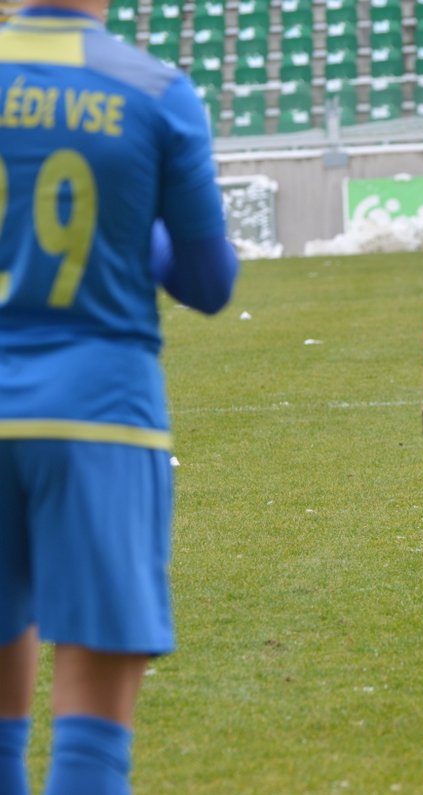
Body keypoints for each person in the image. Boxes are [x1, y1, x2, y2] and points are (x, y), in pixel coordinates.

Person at [0, 1, 239, 793]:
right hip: (99, 414)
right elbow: (208, 282)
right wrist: (138, 230)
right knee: (92, 741)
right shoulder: (154, 88)